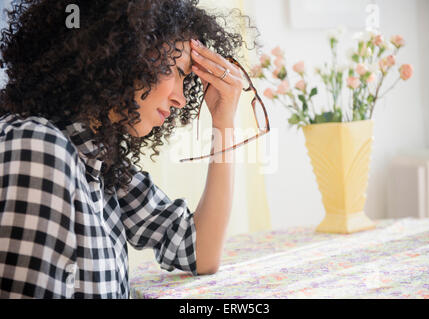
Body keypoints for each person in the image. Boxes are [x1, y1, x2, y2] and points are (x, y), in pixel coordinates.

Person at [0, 0, 259, 298]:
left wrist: (223, 117)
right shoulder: (38, 149)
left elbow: (200, 251)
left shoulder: (100, 161)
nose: (181, 100)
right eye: (174, 70)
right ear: (121, 54)